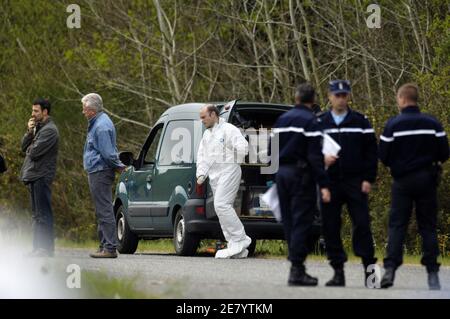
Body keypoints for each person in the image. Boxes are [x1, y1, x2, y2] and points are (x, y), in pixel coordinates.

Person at [379, 83, 449, 290]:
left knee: (397, 225)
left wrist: (397, 164)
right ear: (416, 99)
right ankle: (433, 274)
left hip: (402, 181)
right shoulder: (432, 124)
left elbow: (382, 154)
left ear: (401, 99)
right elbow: (445, 152)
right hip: (427, 180)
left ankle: (390, 270)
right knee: (428, 226)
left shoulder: (393, 125)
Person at [318, 80, 378, 287]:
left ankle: (371, 274)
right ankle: (338, 273)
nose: (341, 99)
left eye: (344, 95)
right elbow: (312, 154)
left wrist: (368, 179)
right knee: (331, 227)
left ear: (349, 96)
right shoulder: (321, 123)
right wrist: (322, 182)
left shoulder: (361, 122)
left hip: (355, 182)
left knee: (362, 225)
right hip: (330, 183)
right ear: (329, 96)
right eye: (337, 95)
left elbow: (371, 152)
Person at [272, 83, 331, 286]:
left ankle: (297, 267)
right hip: (301, 175)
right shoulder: (310, 121)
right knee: (301, 222)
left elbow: (273, 149)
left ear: (296, 98)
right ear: (312, 100)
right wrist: (323, 183)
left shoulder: (282, 119)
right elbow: (315, 156)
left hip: (282, 174)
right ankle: (297, 269)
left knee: (288, 222)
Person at [196, 104, 251, 259]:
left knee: (221, 204)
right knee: (219, 208)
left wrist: (234, 150)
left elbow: (244, 147)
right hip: (215, 176)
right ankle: (235, 244)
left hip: (229, 170)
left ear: (213, 114)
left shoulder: (229, 129)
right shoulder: (206, 135)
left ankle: (241, 238)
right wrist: (201, 173)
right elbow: (202, 157)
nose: (202, 121)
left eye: (203, 117)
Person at [82, 93, 126, 258]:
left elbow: (108, 153)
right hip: (97, 171)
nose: (83, 112)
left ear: (92, 110)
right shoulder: (98, 123)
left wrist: (119, 166)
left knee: (105, 209)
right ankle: (104, 245)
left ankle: (109, 247)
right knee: (101, 210)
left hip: (100, 171)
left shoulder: (101, 126)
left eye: (85, 109)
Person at [20, 98, 59, 257]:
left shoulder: (50, 130)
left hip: (42, 175)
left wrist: (30, 146)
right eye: (32, 111)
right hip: (34, 175)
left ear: (45, 112)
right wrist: (30, 132)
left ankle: (46, 249)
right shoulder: (39, 128)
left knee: (44, 213)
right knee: (37, 215)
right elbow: (23, 147)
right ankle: (38, 248)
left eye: (36, 111)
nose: (33, 114)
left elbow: (33, 153)